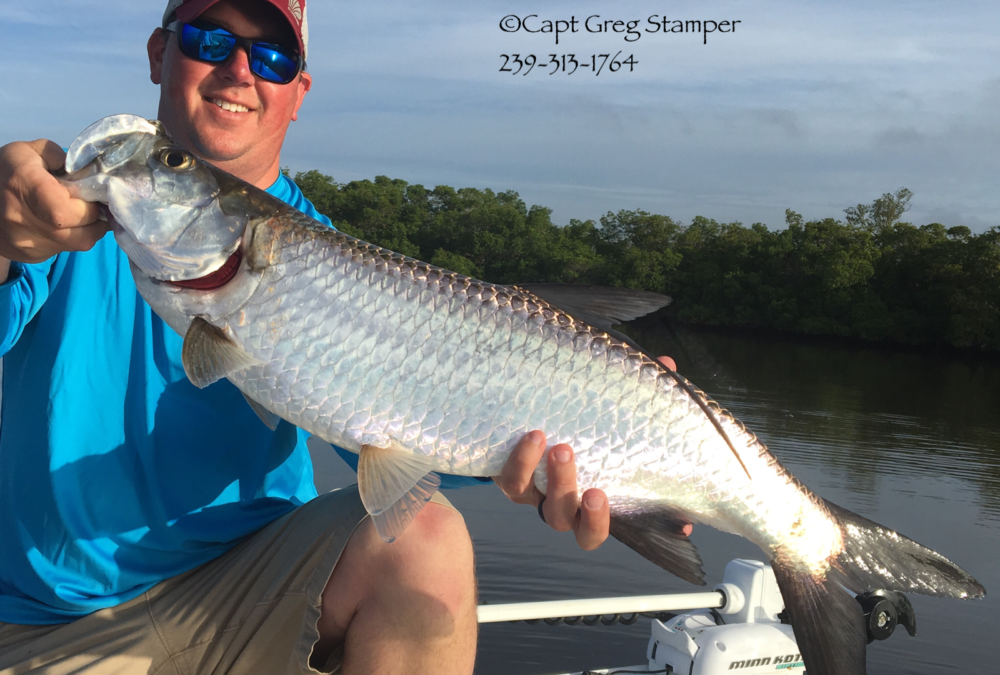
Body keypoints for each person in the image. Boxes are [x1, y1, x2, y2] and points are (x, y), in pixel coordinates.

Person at [0, 1, 675, 673]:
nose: (239, 71)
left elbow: (402, 458)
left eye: (272, 58)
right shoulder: (54, 211)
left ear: (299, 92)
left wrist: (548, 455)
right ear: (158, 52)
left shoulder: (340, 261)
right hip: (50, 626)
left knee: (427, 539)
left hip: (262, 591)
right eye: (211, 40)